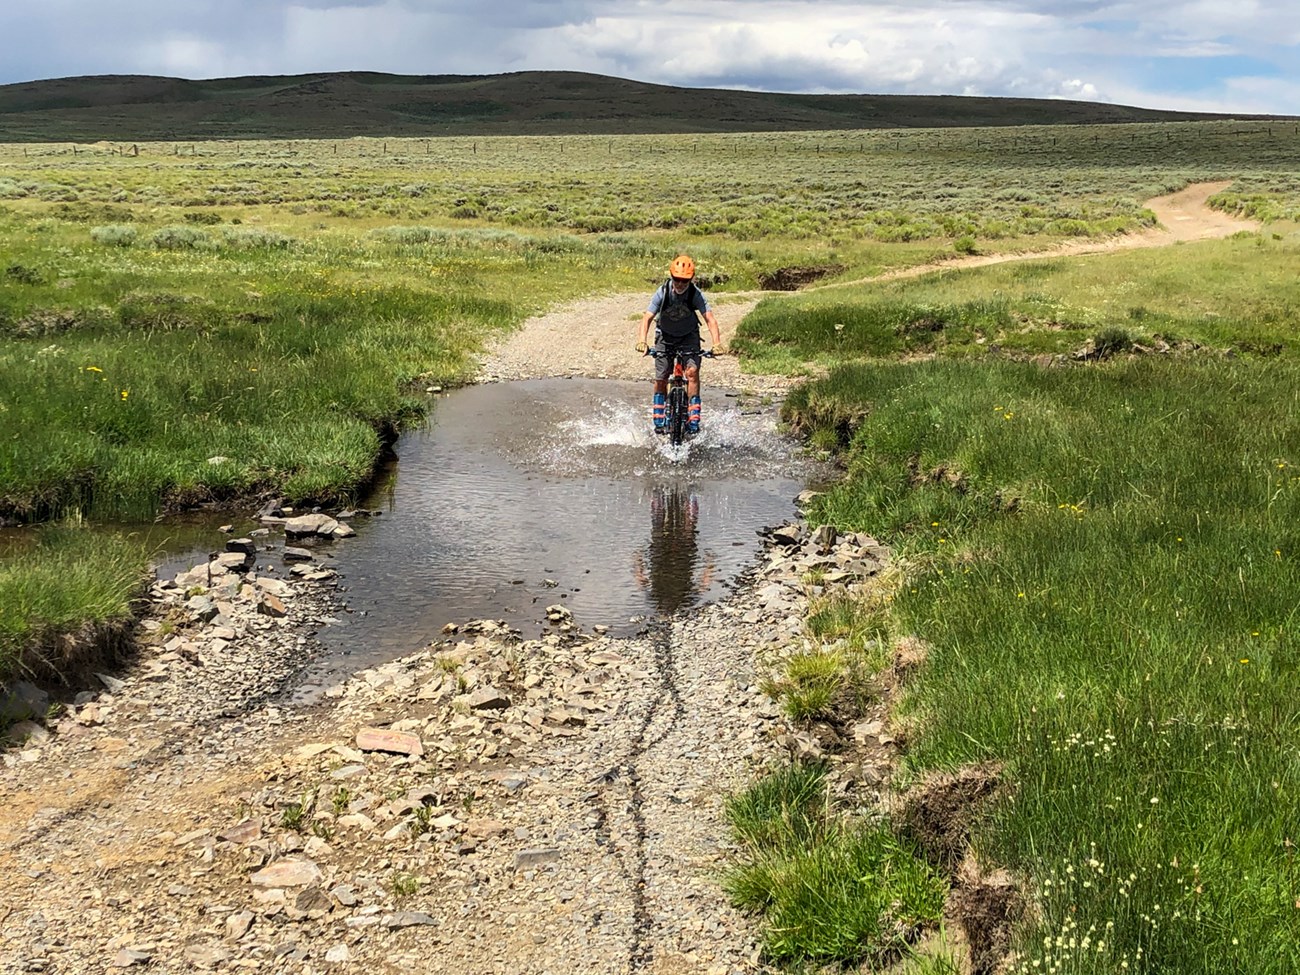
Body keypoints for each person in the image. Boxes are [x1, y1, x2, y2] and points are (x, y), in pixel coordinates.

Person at [635, 254, 722, 435]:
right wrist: (642, 340)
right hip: (665, 336)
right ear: (671, 277)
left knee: (692, 373)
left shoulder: (695, 294)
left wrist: (717, 343)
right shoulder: (663, 292)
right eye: (677, 279)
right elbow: (647, 317)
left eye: (685, 280)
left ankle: (693, 418)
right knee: (662, 375)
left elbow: (710, 319)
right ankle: (658, 417)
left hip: (689, 336)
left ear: (691, 279)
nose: (680, 284)